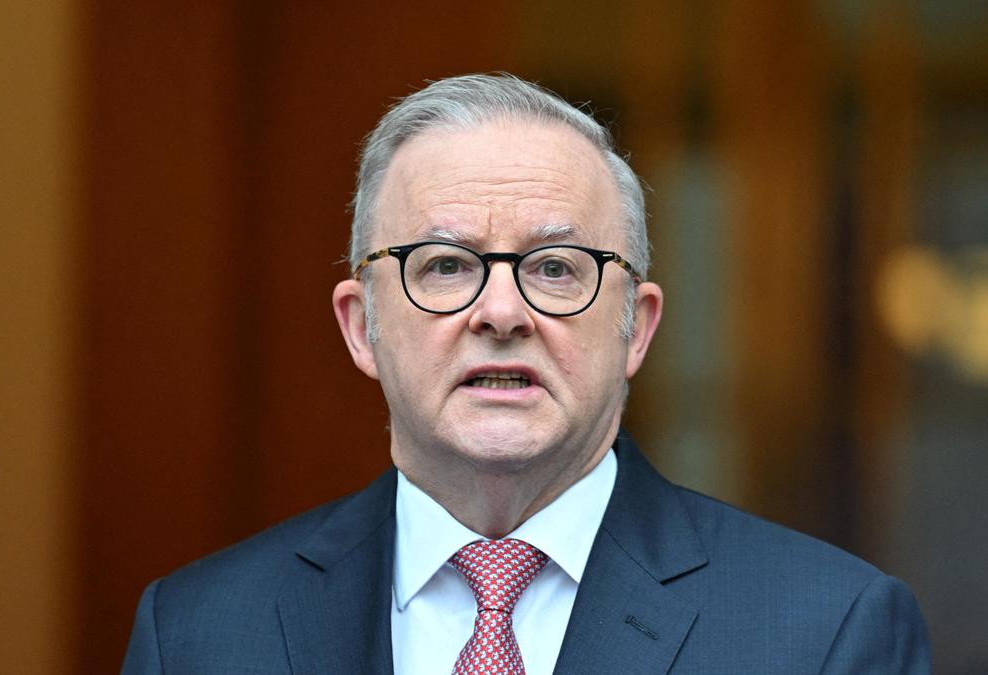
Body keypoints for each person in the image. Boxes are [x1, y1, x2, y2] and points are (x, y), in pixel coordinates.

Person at [121, 73, 931, 674]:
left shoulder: (826, 631)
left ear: (636, 328)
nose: (502, 311)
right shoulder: (197, 633)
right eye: (445, 265)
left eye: (555, 267)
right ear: (362, 327)